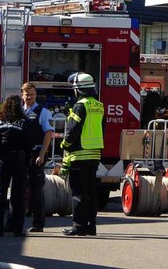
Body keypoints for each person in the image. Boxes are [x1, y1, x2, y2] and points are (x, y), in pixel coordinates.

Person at [61, 72, 105, 236]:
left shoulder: (80, 106)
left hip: (79, 155)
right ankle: (91, 226)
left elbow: (73, 130)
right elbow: (103, 129)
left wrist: (65, 144)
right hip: (94, 155)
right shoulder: (99, 105)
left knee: (78, 193)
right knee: (90, 193)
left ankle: (78, 226)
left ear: (78, 90)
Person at [0, 95, 33, 237]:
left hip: (3, 160)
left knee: (0, 195)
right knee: (17, 196)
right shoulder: (25, 122)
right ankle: (17, 230)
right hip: (19, 160)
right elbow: (30, 142)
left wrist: (0, 145)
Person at [22, 82, 54, 233]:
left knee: (36, 189)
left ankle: (38, 222)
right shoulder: (19, 112)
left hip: (36, 155)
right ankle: (17, 220)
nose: (29, 97)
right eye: (27, 94)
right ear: (22, 95)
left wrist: (42, 154)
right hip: (22, 155)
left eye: (32, 94)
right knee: (20, 188)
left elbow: (48, 133)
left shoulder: (44, 112)